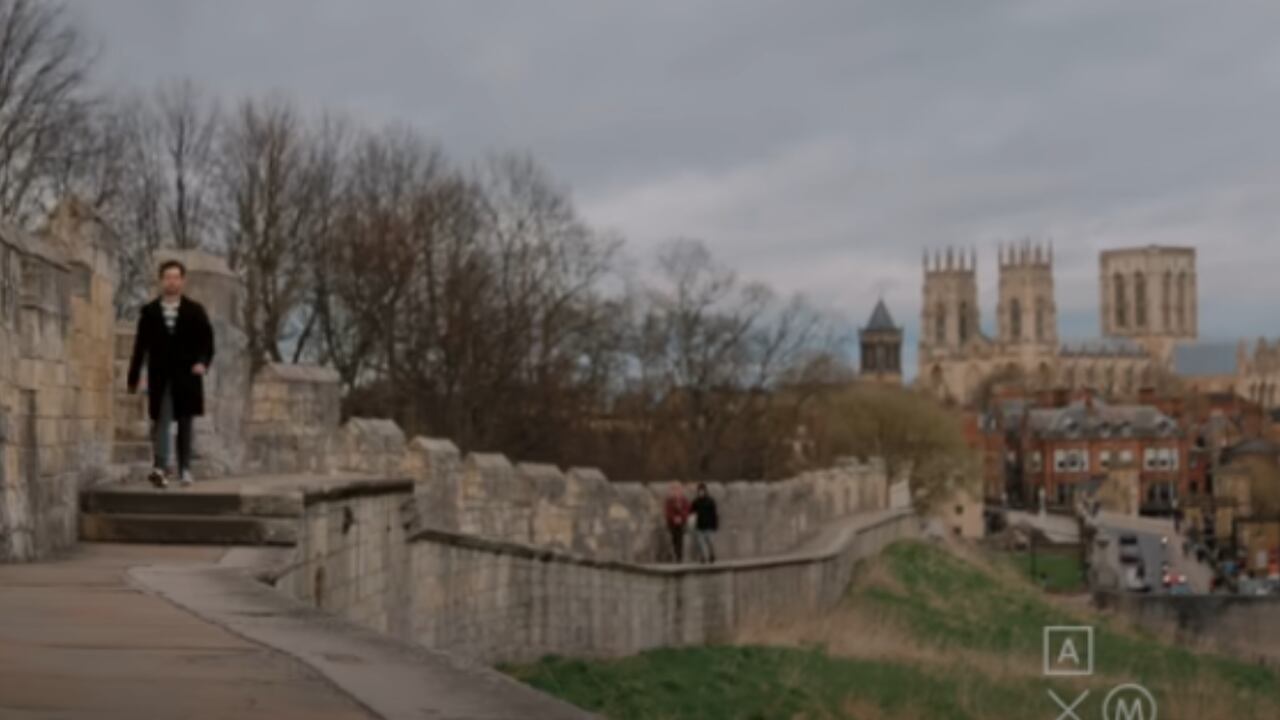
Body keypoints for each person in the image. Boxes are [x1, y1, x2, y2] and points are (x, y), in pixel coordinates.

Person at [126, 260, 215, 488]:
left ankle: (185, 469)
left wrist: (202, 362)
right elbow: (140, 347)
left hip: (187, 375)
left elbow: (207, 341)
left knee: (185, 422)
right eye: (168, 277)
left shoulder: (195, 311)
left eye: (176, 277)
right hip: (160, 375)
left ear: (183, 281)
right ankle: (160, 467)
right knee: (161, 420)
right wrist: (133, 378)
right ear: (161, 280)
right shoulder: (150, 312)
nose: (172, 282)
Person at [690, 483, 719, 564]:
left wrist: (715, 525)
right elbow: (691, 512)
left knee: (710, 542)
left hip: (709, 526)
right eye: (699, 491)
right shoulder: (696, 502)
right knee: (700, 543)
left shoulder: (710, 501)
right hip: (699, 526)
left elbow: (714, 514)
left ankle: (712, 555)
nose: (701, 493)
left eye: (702, 491)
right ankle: (703, 557)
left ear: (705, 491)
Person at [663, 483, 691, 562]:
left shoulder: (684, 500)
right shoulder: (669, 501)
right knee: (673, 539)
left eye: (678, 490)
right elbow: (667, 512)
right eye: (674, 490)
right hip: (672, 524)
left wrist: (681, 515)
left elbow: (687, 511)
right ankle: (674, 554)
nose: (676, 492)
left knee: (680, 540)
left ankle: (679, 556)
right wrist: (673, 518)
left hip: (681, 523)